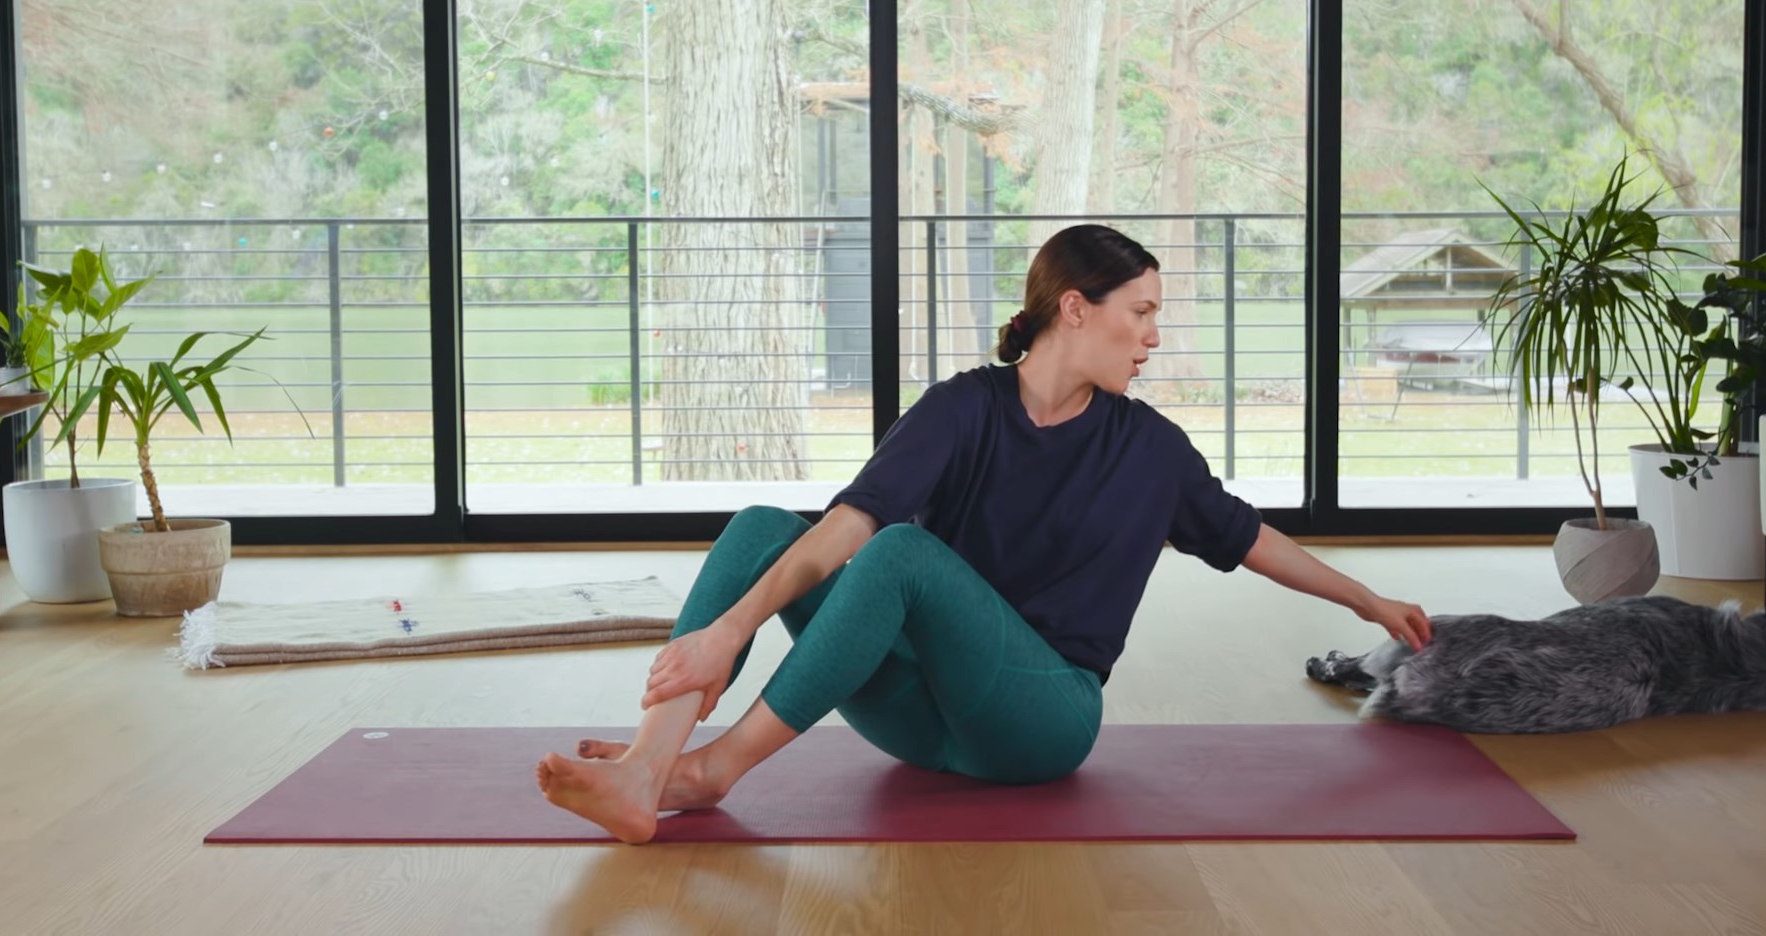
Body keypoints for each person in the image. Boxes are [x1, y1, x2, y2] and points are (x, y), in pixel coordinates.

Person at [536, 224, 1434, 844]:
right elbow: (846, 523)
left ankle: (712, 772)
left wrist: (1367, 599)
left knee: (902, 554)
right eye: (1142, 312)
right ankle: (649, 764)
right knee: (761, 527)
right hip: (918, 718)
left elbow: (1250, 539)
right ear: (1075, 308)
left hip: (1037, 723)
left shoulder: (1150, 449)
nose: (1155, 337)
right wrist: (730, 628)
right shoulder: (961, 408)